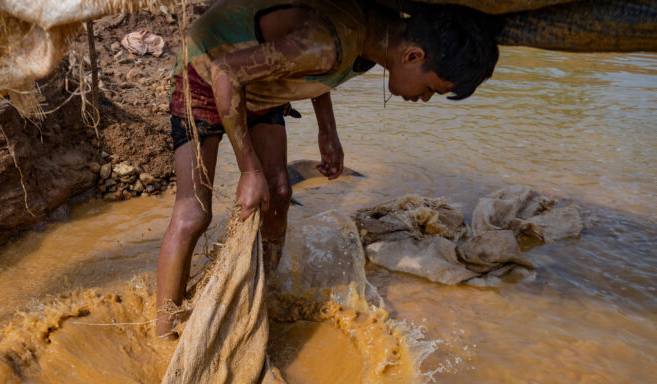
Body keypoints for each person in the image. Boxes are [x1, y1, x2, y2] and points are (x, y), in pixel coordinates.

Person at [155, 0, 501, 338]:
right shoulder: (331, 44)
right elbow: (225, 72)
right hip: (205, 73)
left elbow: (311, 67)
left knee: (278, 194)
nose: (424, 99)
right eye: (430, 89)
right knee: (193, 214)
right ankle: (163, 332)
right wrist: (249, 171)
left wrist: (328, 131)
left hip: (260, 84)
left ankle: (257, 299)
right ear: (413, 56)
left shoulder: (377, 33)